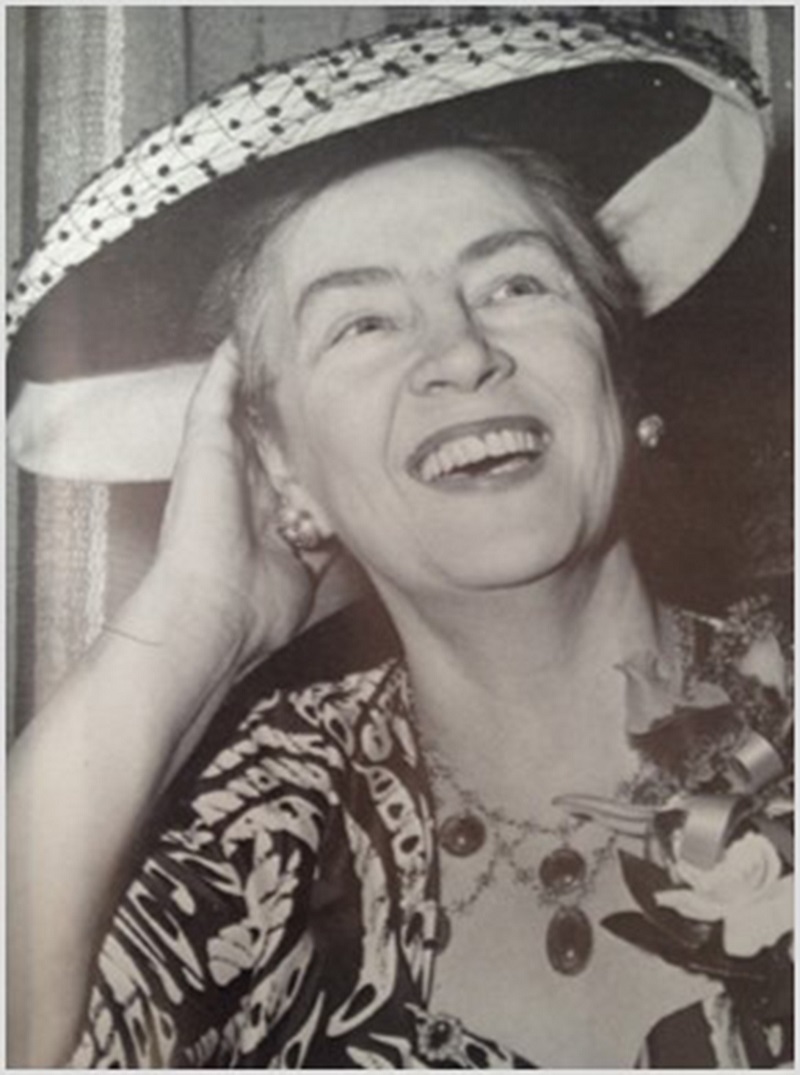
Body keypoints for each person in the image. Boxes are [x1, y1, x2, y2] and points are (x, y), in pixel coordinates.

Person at [7, 11, 792, 1069]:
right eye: (362, 323)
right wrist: (192, 618)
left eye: (516, 283)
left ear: (622, 375)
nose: (460, 354)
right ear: (281, 467)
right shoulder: (257, 830)